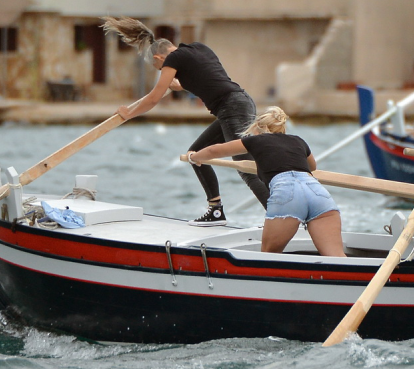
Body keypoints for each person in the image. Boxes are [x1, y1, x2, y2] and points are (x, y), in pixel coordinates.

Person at [103, 17, 267, 227]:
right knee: (196, 155)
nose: (162, 71)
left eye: (159, 67)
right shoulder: (198, 48)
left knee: (245, 166)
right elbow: (207, 78)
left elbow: (154, 97)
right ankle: (215, 211)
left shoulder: (174, 59)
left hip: (232, 108)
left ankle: (279, 216)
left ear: (159, 57)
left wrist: (128, 114)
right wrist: (180, 86)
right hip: (240, 102)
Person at [188, 107, 345, 257]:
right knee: (337, 256)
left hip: (287, 193)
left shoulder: (256, 140)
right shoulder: (298, 141)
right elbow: (312, 166)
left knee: (269, 257)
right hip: (316, 191)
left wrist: (194, 157)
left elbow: (215, 150)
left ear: (257, 128)